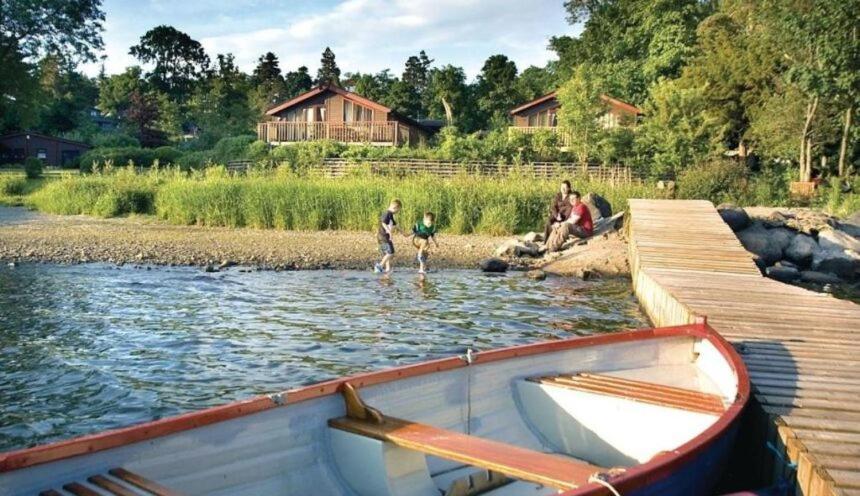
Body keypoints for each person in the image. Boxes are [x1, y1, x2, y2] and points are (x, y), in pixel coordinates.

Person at [374, 199, 402, 273]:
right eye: (398, 210)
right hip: (384, 236)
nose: (398, 212)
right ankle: (379, 266)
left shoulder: (391, 215)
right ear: (396, 207)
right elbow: (383, 223)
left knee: (387, 253)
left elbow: (396, 225)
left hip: (382, 236)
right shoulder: (387, 213)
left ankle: (388, 269)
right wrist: (389, 232)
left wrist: (405, 233)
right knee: (391, 253)